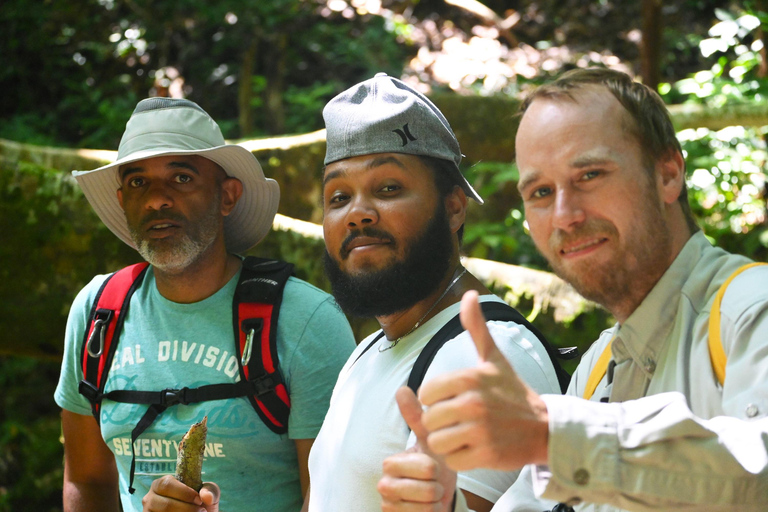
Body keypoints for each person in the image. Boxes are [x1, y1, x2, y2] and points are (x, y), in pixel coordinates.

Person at [379, 67, 768, 512]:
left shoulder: (751, 310)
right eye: (541, 191)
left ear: (668, 174)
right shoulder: (597, 369)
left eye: (589, 175)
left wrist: (552, 435)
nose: (565, 215)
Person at [54, 98, 356, 512]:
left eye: (181, 177)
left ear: (227, 196)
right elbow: (86, 483)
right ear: (123, 201)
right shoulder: (98, 313)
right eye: (139, 183)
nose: (157, 200)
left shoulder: (305, 320)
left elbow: (331, 498)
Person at [305, 73, 563, 512]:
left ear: (454, 206)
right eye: (338, 196)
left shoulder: (488, 355)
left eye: (388, 188)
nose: (358, 214)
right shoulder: (370, 349)